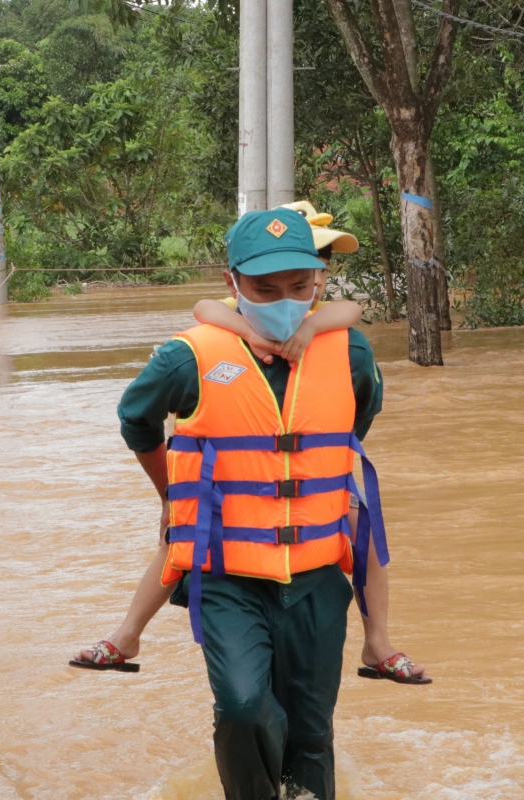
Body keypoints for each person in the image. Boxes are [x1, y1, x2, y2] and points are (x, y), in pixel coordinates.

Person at [91, 207, 394, 799]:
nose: (284, 299)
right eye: (264, 289)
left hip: (314, 577)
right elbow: (136, 419)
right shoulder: (190, 356)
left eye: (299, 287)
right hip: (226, 572)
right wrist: (171, 492)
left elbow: (353, 423)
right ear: (233, 284)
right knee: (242, 705)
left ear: (318, 283)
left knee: (311, 731)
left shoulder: (349, 354)